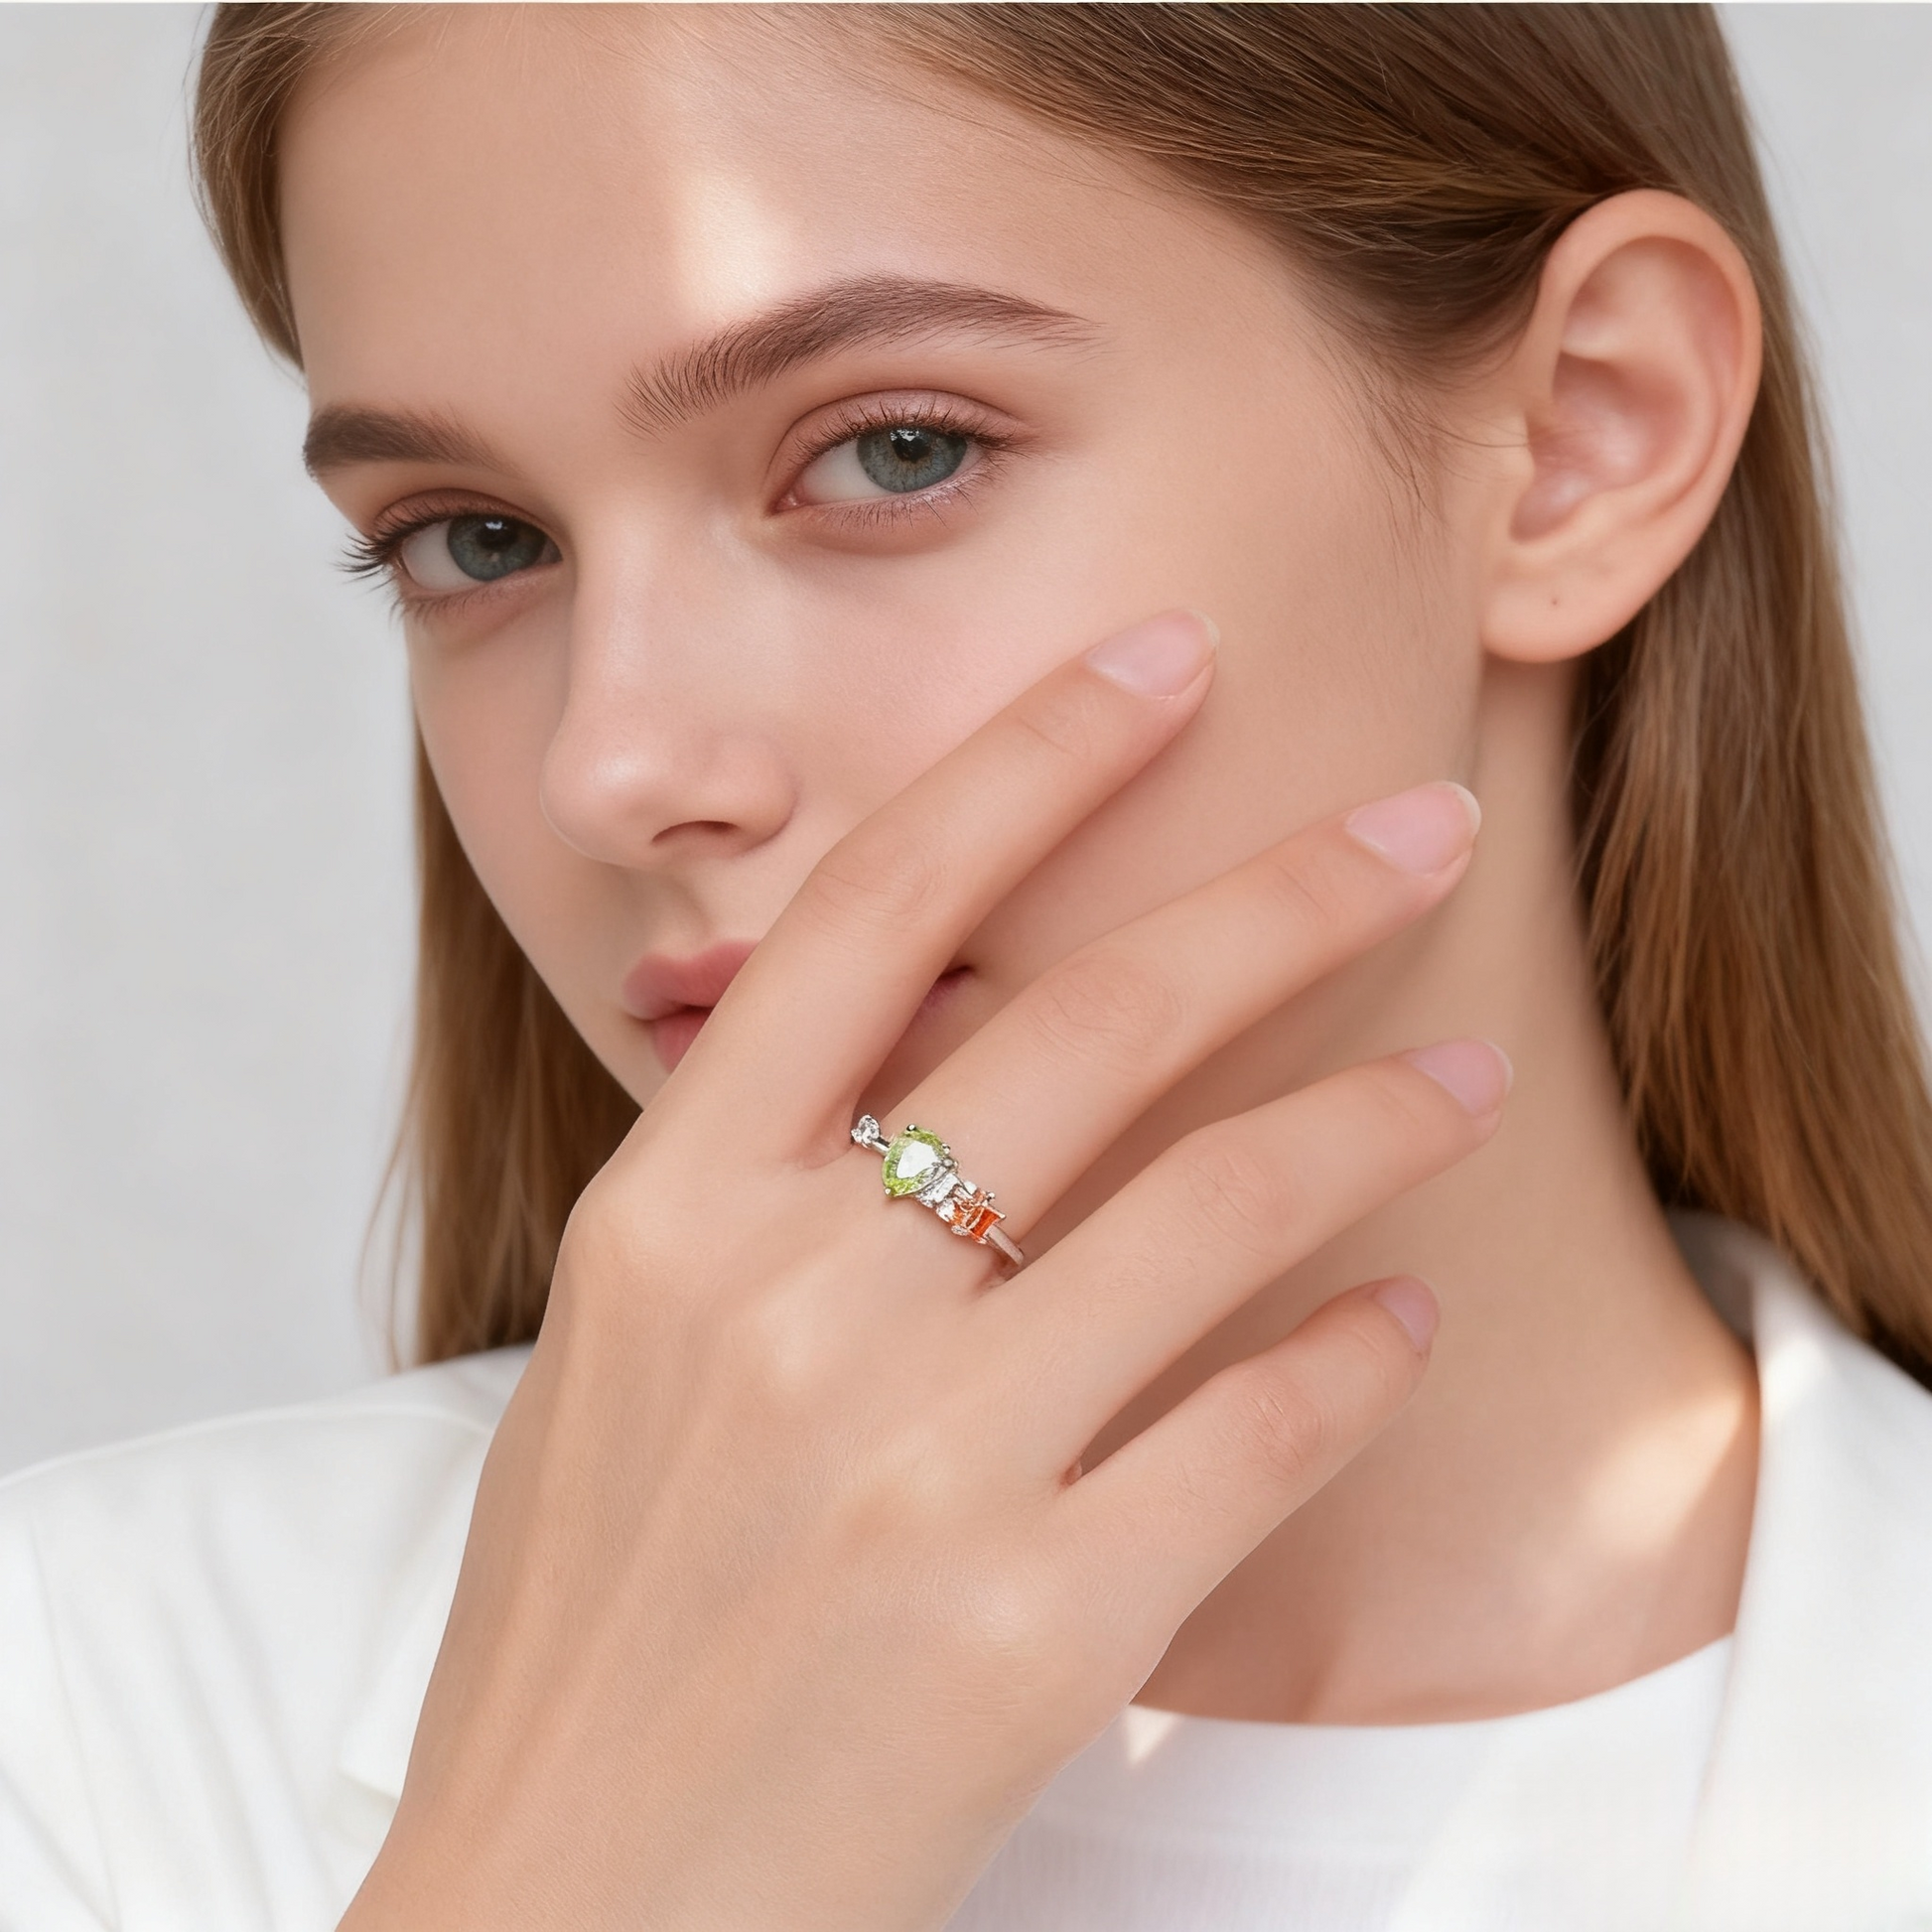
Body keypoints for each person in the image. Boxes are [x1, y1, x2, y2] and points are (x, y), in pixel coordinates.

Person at [6, 4, 1932, 1926]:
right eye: (476, 538)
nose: (615, 767)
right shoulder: (76, 1719)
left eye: (893, 449)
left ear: (1588, 435)